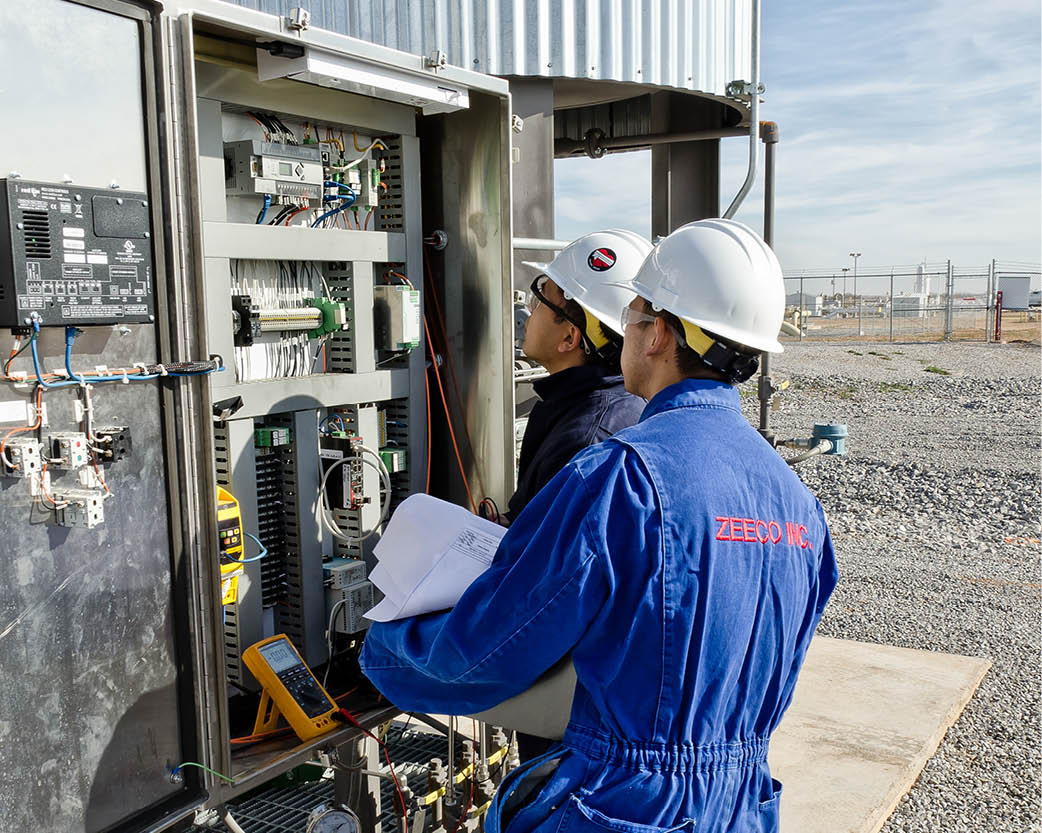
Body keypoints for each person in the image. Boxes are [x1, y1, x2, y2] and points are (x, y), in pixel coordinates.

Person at [361, 219, 839, 833]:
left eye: (634, 313)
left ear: (659, 332)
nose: (625, 332)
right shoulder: (795, 501)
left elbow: (491, 652)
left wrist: (379, 655)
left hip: (623, 807)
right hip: (741, 805)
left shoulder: (620, 480)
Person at [507, 230, 651, 524]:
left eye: (539, 304)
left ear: (569, 337)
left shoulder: (585, 441)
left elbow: (548, 562)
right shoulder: (604, 405)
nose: (528, 315)